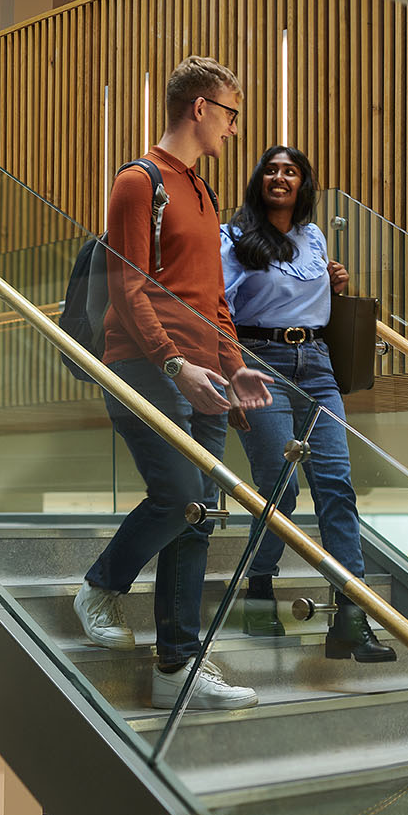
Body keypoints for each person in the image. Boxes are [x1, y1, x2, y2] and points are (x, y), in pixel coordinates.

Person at [72, 55, 273, 711]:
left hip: (206, 376)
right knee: (180, 492)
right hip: (146, 366)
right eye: (231, 114)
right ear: (201, 109)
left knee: (198, 518)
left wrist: (234, 369)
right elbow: (128, 287)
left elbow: (214, 301)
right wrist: (172, 364)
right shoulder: (140, 182)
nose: (234, 130)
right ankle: (100, 586)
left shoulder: (204, 192)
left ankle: (176, 664)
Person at [222, 145, 393, 663]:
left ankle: (351, 614)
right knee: (279, 489)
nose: (280, 177)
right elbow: (218, 307)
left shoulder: (314, 237)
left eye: (290, 171)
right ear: (259, 181)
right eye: (271, 170)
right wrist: (230, 373)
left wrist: (334, 286)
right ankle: (257, 596)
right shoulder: (232, 237)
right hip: (259, 362)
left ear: (303, 184)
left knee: (337, 486)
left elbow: (313, 299)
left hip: (317, 365)